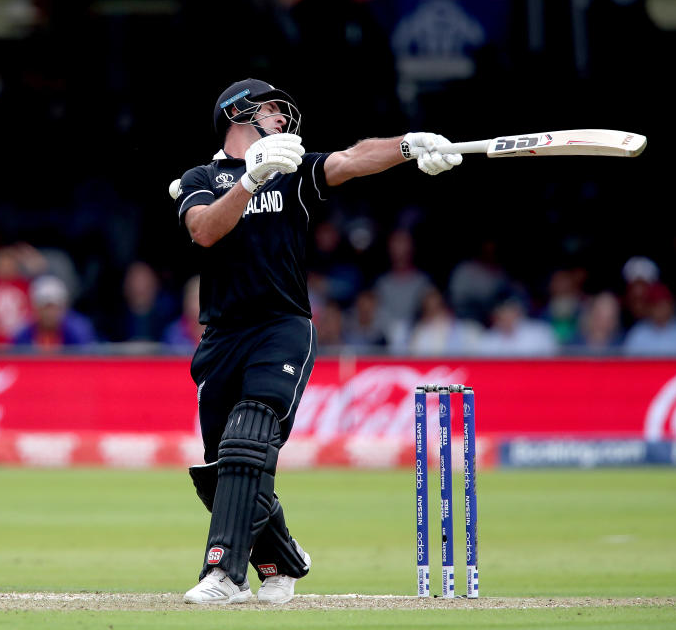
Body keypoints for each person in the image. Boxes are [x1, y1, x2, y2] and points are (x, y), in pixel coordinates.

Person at [174, 78, 462, 605]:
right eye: (272, 112)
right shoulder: (201, 177)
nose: (283, 122)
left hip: (282, 327)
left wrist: (406, 146)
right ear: (238, 114)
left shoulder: (295, 174)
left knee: (248, 440)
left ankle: (224, 574)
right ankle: (281, 560)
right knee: (222, 473)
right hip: (221, 336)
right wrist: (249, 181)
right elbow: (205, 231)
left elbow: (352, 160)